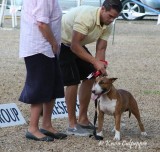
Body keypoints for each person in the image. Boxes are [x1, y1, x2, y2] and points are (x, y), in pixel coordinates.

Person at [59, 0, 122, 136]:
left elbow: (101, 47)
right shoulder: (87, 17)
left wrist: (100, 67)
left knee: (92, 75)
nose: (112, 20)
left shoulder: (108, 24)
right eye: (110, 16)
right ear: (103, 9)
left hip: (76, 45)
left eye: (115, 18)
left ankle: (82, 119)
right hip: (62, 43)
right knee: (72, 80)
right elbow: (74, 46)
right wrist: (95, 62)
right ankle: (72, 125)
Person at [19, 0, 67, 141]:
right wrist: (53, 43)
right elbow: (42, 23)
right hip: (39, 47)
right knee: (40, 86)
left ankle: (46, 125)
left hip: (47, 48)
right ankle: (33, 128)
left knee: (53, 86)